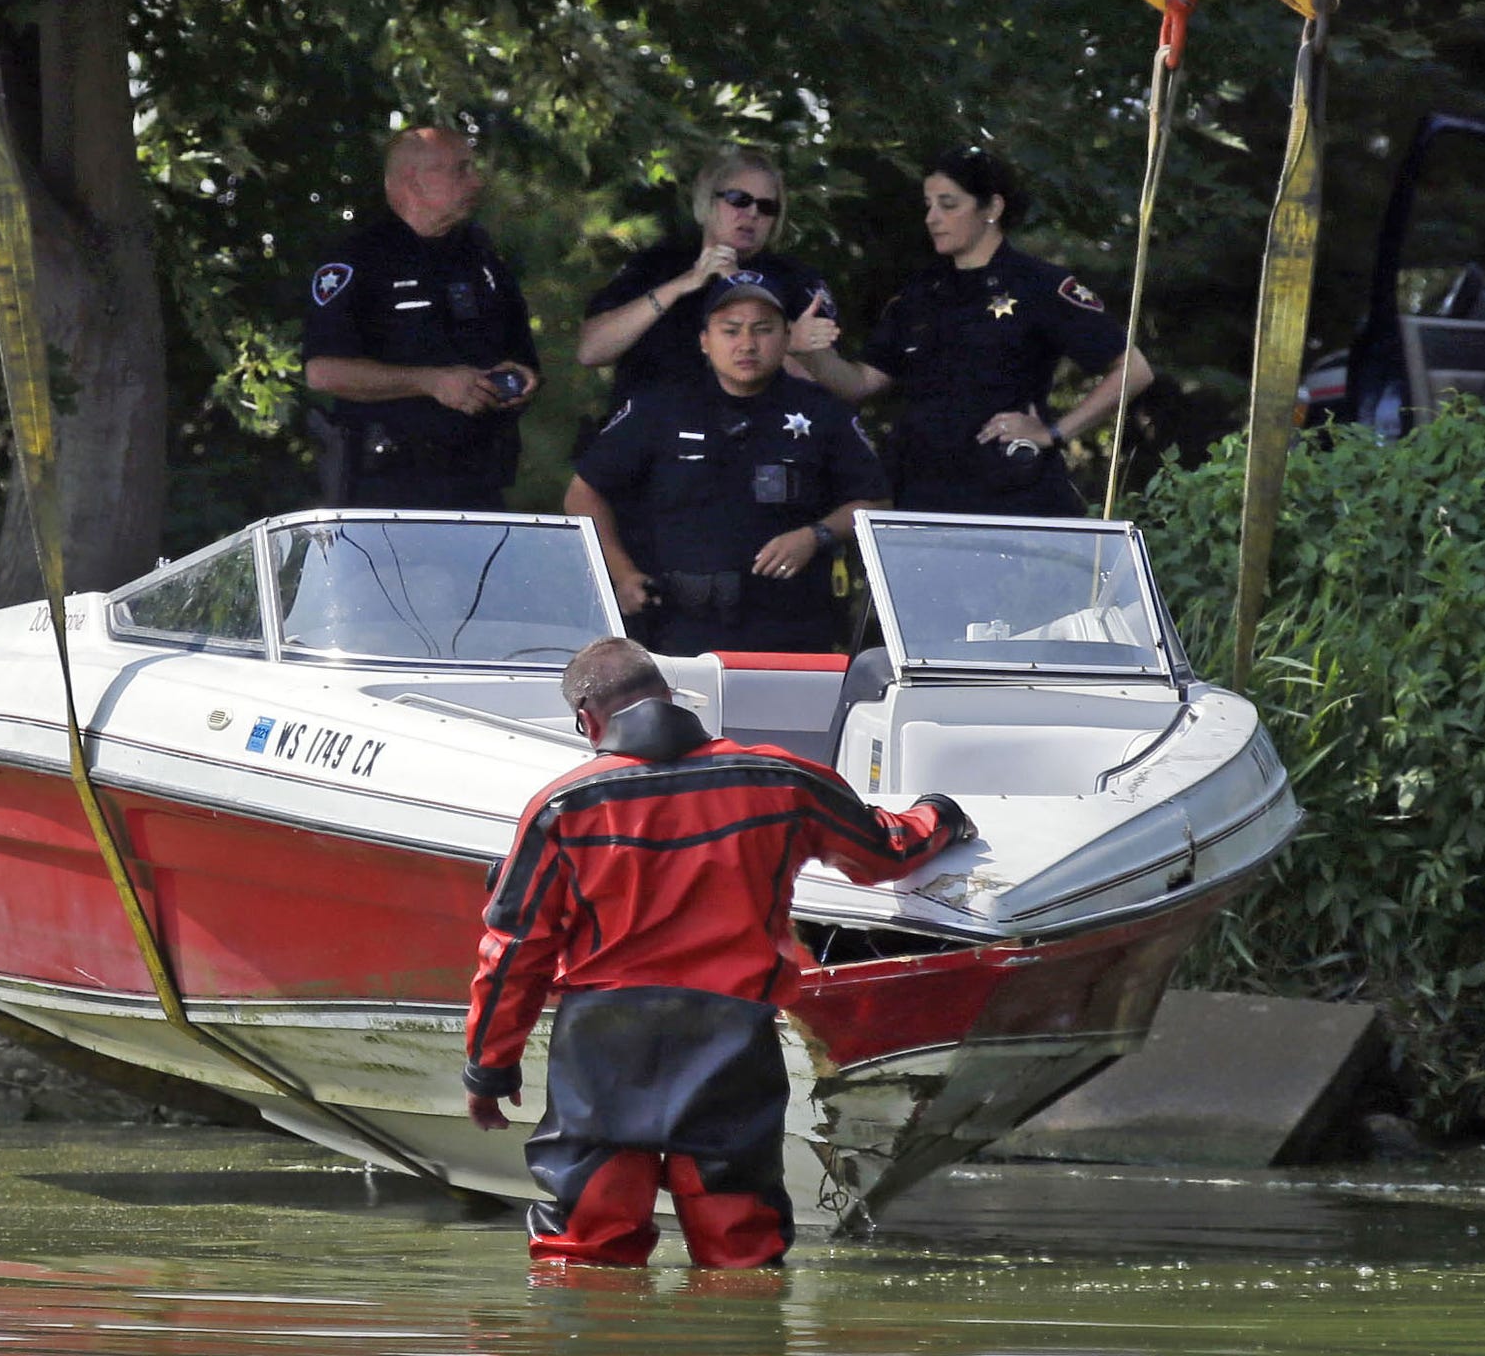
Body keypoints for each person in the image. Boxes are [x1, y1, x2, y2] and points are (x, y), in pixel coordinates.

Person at [461, 637, 972, 1269]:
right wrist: (941, 815)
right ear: (673, 698)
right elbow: (886, 851)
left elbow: (514, 952)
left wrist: (489, 1069)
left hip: (601, 1054)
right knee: (741, 1254)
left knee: (582, 1253)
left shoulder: (564, 804)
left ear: (587, 720)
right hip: (730, 1045)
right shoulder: (781, 778)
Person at [795, 146, 1153, 516]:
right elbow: (862, 383)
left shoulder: (1039, 285)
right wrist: (811, 352)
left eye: (948, 204)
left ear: (992, 208)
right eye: (928, 204)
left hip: (1011, 497)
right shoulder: (919, 294)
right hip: (923, 497)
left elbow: (1134, 369)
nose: (932, 217)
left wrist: (1055, 432)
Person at [565, 282, 887, 656]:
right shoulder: (660, 407)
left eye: (763, 330)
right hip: (678, 629)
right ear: (705, 340)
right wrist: (623, 576)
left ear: (787, 338)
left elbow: (875, 504)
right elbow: (582, 494)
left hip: (792, 629)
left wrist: (815, 535)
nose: (747, 344)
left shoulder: (822, 411)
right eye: (730, 331)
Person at [301, 127, 541, 510]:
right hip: (387, 490)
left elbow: (522, 354)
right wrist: (430, 383)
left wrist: (516, 378)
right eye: (460, 170)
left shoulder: (480, 257)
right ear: (414, 181)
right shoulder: (359, 259)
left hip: (478, 485)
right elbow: (323, 372)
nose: (476, 180)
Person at [574, 147, 838, 411]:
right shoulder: (656, 264)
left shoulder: (795, 279)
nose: (753, 213)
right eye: (739, 199)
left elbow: (820, 387)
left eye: (767, 207)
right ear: (705, 202)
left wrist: (739, 286)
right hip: (647, 437)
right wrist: (680, 285)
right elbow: (591, 350)